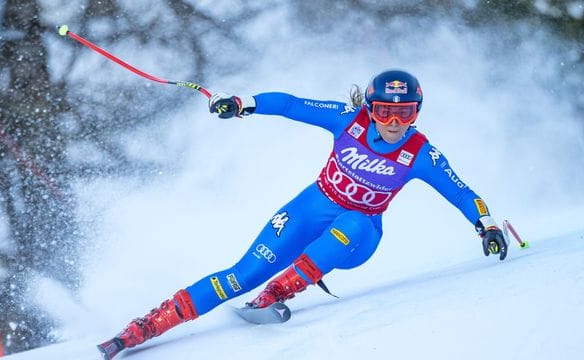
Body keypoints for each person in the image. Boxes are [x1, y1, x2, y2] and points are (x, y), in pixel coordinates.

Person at [97, 69, 508, 359]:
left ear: (417, 113)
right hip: (310, 209)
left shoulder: (420, 153)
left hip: (357, 238)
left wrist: (485, 225)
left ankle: (277, 292)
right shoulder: (346, 120)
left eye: (406, 114)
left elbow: (461, 191)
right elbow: (292, 104)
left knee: (355, 219)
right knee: (241, 274)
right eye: (385, 112)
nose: (394, 123)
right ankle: (143, 328)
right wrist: (244, 104)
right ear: (370, 108)